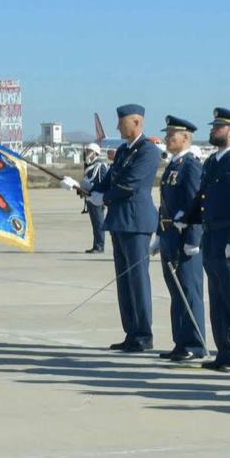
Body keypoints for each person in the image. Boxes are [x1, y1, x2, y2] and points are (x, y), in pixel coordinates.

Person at [66, 106, 160, 352]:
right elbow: (107, 181)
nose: (118, 127)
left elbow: (130, 184)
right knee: (124, 281)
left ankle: (143, 335)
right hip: (119, 221)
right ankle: (131, 332)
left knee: (138, 280)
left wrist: (103, 197)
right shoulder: (122, 152)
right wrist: (81, 187)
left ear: (136, 122)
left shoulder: (147, 150)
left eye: (122, 122)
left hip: (136, 221)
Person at [186, 110, 230, 371]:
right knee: (217, 299)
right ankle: (224, 352)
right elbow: (203, 198)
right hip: (213, 238)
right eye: (214, 125)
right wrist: (187, 216)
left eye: (218, 126)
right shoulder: (213, 163)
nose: (213, 130)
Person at [155, 115, 207, 365]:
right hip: (169, 237)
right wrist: (158, 234)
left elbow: (194, 204)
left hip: (184, 238)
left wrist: (193, 237)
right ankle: (181, 342)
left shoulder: (191, 165)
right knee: (176, 292)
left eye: (171, 135)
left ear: (185, 138)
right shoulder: (173, 166)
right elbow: (164, 205)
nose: (167, 138)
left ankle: (195, 343)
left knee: (189, 290)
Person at [80, 146, 110, 253]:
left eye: (89, 151)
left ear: (95, 153)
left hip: (97, 198)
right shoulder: (90, 166)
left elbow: (103, 182)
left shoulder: (100, 165)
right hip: (90, 197)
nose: (87, 153)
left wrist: (103, 198)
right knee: (94, 223)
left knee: (99, 223)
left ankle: (100, 246)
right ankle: (96, 245)